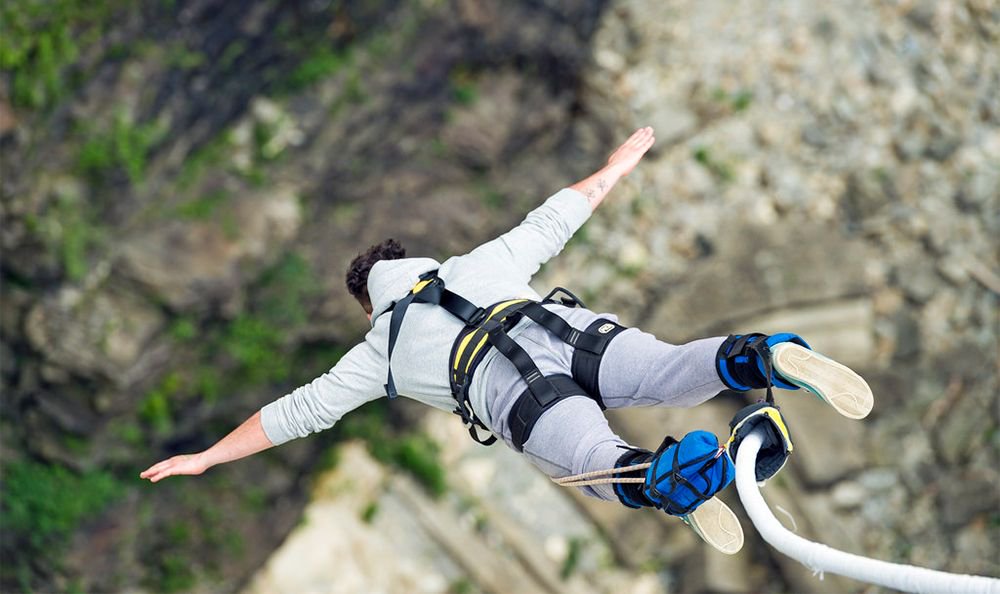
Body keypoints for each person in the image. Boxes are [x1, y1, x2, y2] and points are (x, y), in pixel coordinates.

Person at [141, 127, 873, 554]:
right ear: (415, 262)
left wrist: (206, 457)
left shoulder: (378, 354)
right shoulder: (475, 264)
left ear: (371, 303)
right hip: (573, 333)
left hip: (519, 393)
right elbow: (557, 216)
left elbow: (294, 413)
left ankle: (664, 481)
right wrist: (617, 165)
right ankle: (757, 357)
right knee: (669, 370)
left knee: (598, 460)